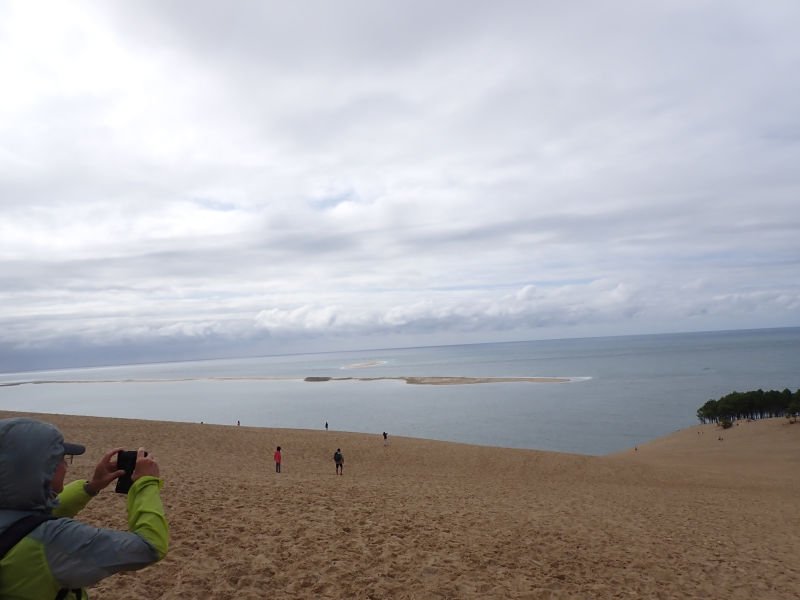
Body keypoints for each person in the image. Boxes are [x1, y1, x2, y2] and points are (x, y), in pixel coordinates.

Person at [0, 417, 169, 599]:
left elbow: (25, 523)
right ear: (42, 468)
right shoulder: (54, 539)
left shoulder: (15, 520)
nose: (66, 465)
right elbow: (150, 546)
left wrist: (91, 486)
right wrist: (146, 483)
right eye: (62, 459)